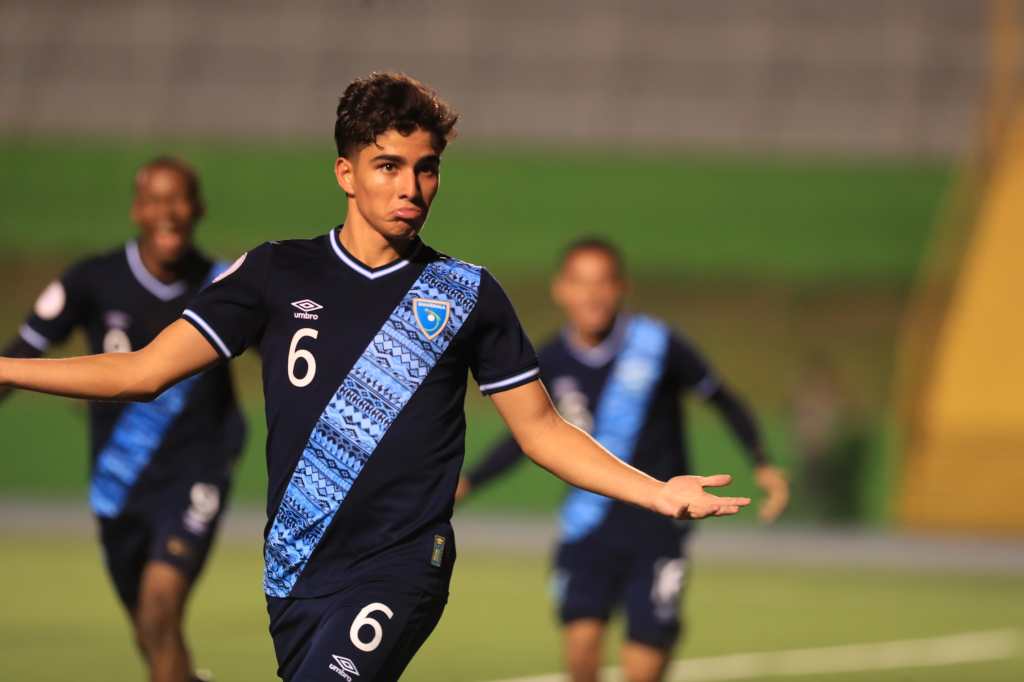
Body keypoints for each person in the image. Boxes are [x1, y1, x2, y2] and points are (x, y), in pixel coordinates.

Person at [0, 73, 750, 682]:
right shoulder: (274, 272)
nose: (412, 188)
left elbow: (543, 430)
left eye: (427, 169)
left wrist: (657, 490)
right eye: (389, 166)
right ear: (346, 173)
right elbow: (139, 372)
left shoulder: (466, 294)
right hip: (295, 569)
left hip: (401, 565)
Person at [458, 238, 790, 682]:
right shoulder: (550, 359)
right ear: (561, 290)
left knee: (644, 664)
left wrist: (762, 462)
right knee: (580, 645)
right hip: (588, 523)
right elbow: (529, 436)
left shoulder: (658, 344)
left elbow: (723, 400)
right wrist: (470, 482)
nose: (591, 295)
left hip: (659, 521)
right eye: (580, 283)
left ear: (621, 288)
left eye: (602, 282)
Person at [0, 157, 246, 682]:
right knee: (150, 632)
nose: (168, 213)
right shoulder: (93, 280)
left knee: (160, 608)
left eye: (178, 199)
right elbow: (22, 351)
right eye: (155, 200)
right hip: (119, 483)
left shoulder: (225, 286)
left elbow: (292, 363)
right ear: (137, 209)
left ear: (198, 208)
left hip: (195, 475)